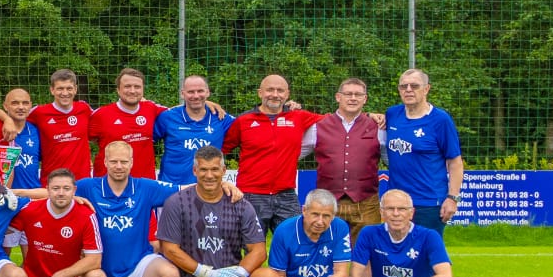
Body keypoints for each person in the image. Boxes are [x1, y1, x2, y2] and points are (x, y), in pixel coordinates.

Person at [156, 147, 271, 277]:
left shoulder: (240, 204)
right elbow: (169, 249)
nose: (209, 175)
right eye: (203, 169)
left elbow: (258, 250)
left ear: (224, 171)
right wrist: (208, 274)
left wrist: (236, 276)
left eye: (215, 169)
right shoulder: (176, 202)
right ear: (194, 170)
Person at [75, 140, 181, 277]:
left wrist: (222, 185)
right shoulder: (88, 187)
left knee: (170, 274)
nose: (119, 166)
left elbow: (184, 189)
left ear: (131, 163)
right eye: (114, 161)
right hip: (110, 272)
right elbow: (55, 193)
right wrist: (17, 194)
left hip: (141, 261)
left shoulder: (145, 187)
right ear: (105, 162)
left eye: (124, 162)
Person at [14, 169, 107, 277]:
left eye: (66, 188)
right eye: (56, 188)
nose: (61, 193)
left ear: (74, 190)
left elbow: (95, 260)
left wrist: (59, 276)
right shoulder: (29, 210)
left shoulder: (86, 214)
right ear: (47, 189)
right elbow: (3, 220)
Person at [222, 74, 325, 235]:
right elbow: (220, 149)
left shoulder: (299, 116)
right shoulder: (244, 120)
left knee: (295, 242)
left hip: (286, 195)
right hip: (251, 195)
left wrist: (366, 117)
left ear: (287, 94)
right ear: (260, 93)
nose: (275, 94)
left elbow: (337, 120)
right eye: (270, 90)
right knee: (251, 245)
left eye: (280, 91)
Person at [301, 77, 384, 241]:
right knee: (325, 248)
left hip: (366, 202)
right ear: (338, 97)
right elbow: (292, 154)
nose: (353, 98)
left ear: (365, 99)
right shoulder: (318, 126)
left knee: (366, 249)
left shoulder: (378, 127)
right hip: (327, 203)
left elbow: (394, 160)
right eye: (348, 94)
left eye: (358, 95)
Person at [384, 69, 464, 231]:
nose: (408, 90)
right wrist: (371, 115)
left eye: (414, 86)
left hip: (428, 202)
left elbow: (455, 162)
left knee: (426, 247)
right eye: (403, 86)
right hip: (397, 202)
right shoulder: (392, 114)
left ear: (426, 89)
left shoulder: (440, 120)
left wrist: (452, 198)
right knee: (396, 246)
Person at [153, 75, 233, 187]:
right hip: (172, 188)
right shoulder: (168, 117)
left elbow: (247, 130)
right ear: (183, 94)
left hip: (208, 189)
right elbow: (145, 140)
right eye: (191, 92)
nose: (196, 96)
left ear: (208, 92)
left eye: (200, 91)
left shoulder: (221, 118)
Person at [90, 68, 168, 178]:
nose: (132, 91)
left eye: (137, 87)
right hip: (108, 181)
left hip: (144, 181)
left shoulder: (151, 109)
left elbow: (180, 113)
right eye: (127, 86)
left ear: (143, 89)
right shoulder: (101, 114)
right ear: (118, 90)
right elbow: (83, 139)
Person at [27, 68, 94, 179]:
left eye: (69, 88)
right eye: (60, 89)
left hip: (81, 180)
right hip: (52, 181)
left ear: (75, 89)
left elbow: (105, 122)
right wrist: (7, 120)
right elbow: (13, 119)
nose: (65, 93)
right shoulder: (39, 112)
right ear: (52, 90)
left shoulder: (84, 108)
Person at [0, 88, 41, 193]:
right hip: (2, 195)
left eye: (25, 103)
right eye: (15, 103)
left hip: (32, 195)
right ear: (5, 106)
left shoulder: (36, 131)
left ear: (30, 105)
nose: (21, 107)